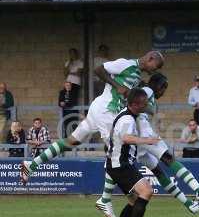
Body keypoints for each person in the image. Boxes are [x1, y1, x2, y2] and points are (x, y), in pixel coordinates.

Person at [21, 51, 164, 186]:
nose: (154, 71)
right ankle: (105, 200)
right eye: (155, 67)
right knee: (118, 149)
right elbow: (98, 69)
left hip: (100, 108)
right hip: (106, 111)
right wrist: (117, 86)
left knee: (72, 141)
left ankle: (32, 165)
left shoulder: (137, 74)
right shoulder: (127, 64)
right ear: (150, 58)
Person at [96, 73, 199, 217]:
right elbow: (138, 101)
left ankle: (189, 203)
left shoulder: (144, 93)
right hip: (143, 132)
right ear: (160, 86)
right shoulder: (148, 91)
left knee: (155, 171)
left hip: (138, 142)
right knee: (168, 159)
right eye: (164, 89)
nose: (163, 93)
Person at [106, 88, 159, 217]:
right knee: (147, 191)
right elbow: (126, 138)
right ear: (135, 104)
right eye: (144, 103)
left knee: (134, 200)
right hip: (120, 164)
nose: (146, 105)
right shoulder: (127, 119)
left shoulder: (127, 114)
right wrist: (147, 140)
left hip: (117, 164)